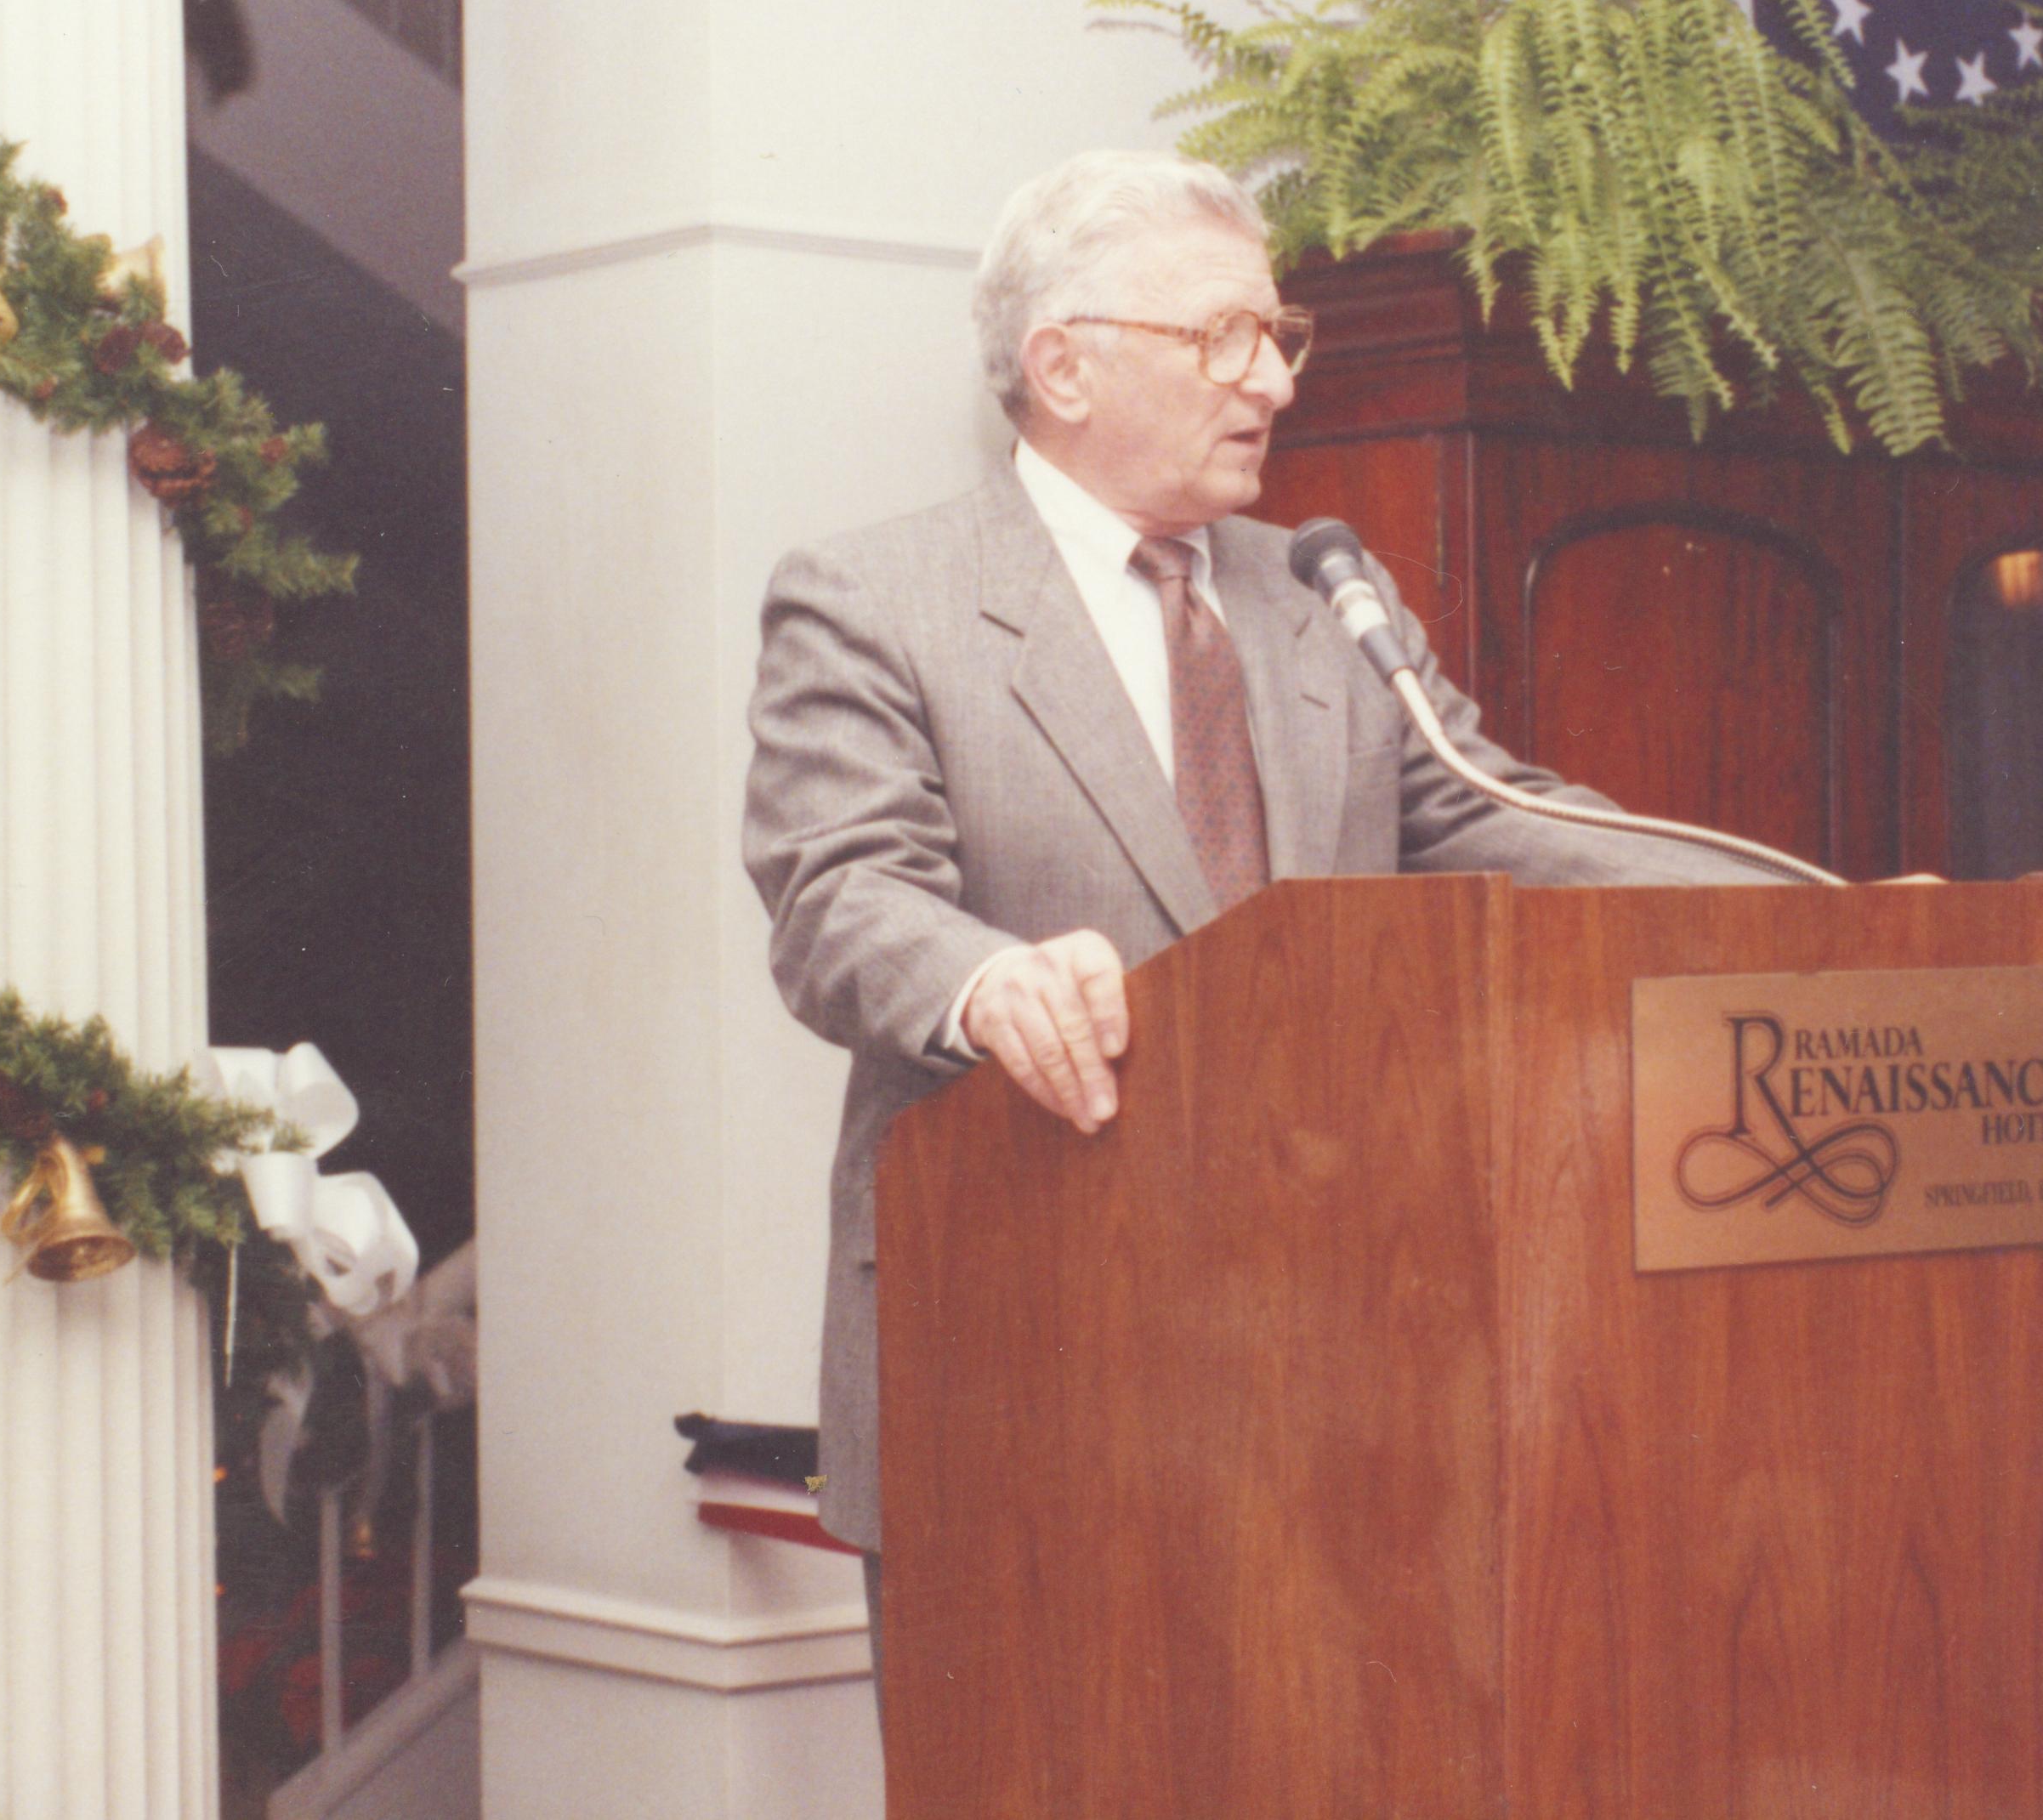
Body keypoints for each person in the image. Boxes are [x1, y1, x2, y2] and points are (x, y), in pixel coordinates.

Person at [739, 147, 1766, 1699]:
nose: (1270, 380)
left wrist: (1808, 915)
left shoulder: (1319, 594)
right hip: (1020, 1362)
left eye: (1277, 335)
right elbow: (839, 891)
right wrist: (989, 979)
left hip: (1337, 1365)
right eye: (1220, 337)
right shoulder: (880, 597)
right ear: (1062, 365)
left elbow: (1502, 817)